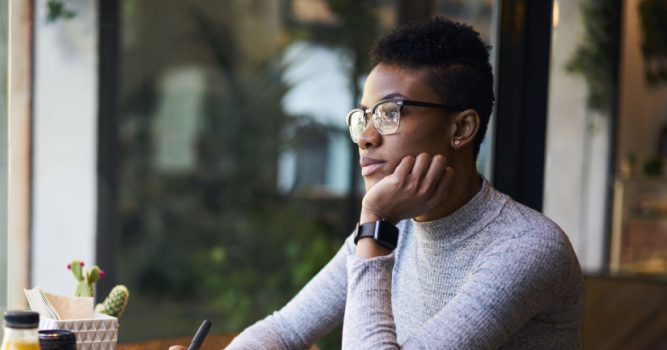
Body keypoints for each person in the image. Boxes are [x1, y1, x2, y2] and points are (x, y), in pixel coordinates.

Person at [171, 16, 583, 350]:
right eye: (363, 117)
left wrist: (374, 220)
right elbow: (286, 330)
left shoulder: (527, 248)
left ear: (461, 127)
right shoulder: (393, 226)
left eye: (389, 114)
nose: (366, 136)